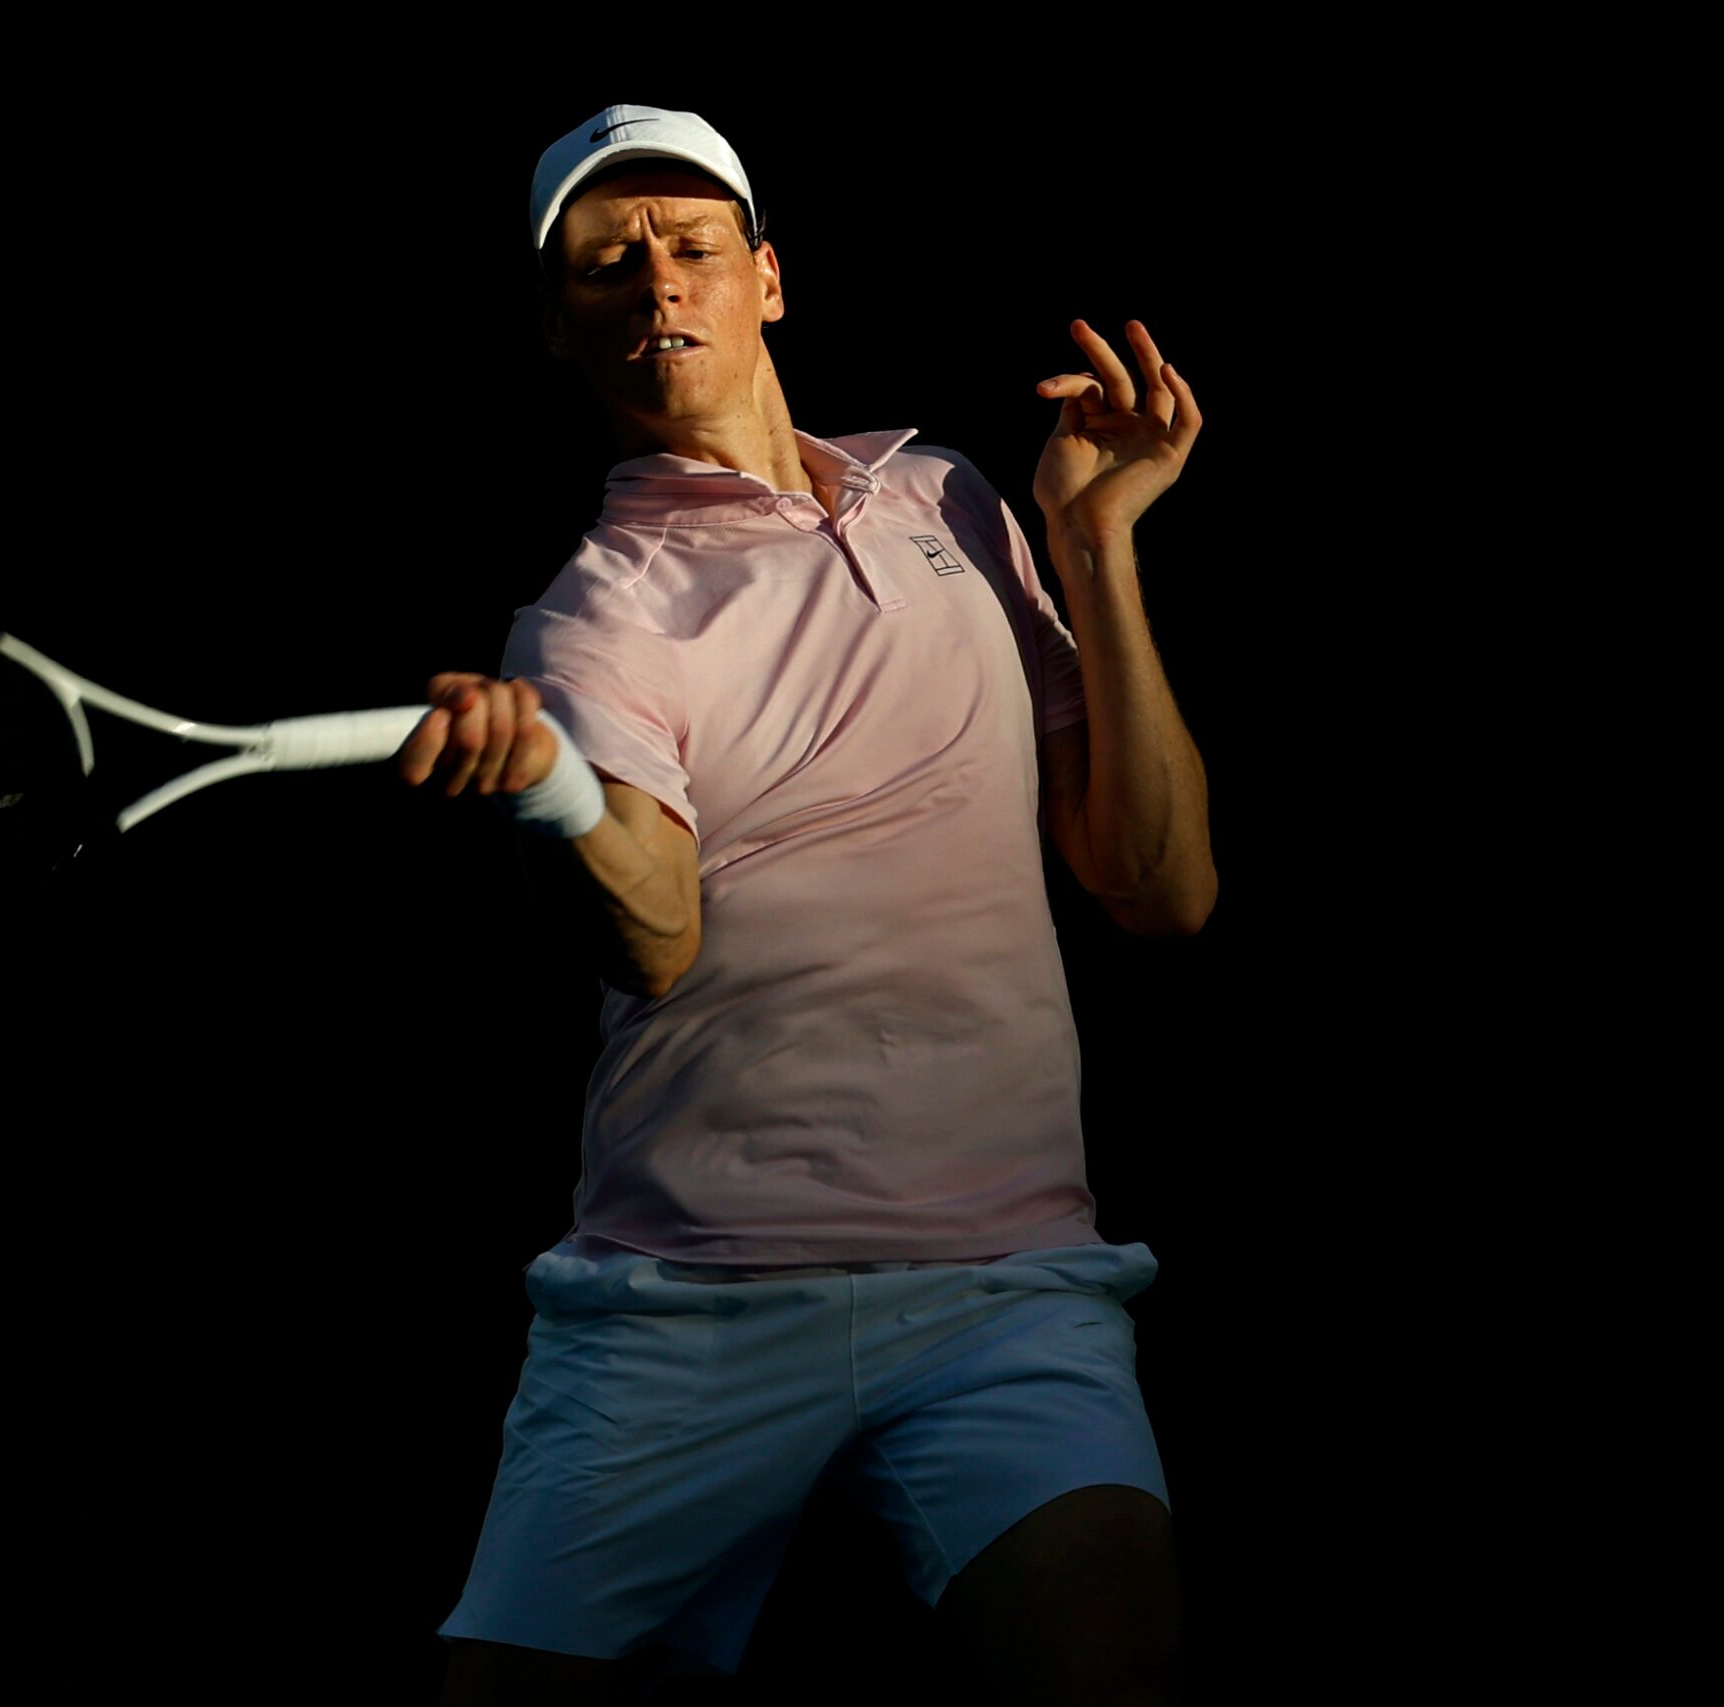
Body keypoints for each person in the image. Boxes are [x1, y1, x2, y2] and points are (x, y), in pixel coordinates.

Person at [402, 104, 1213, 1705]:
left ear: (768, 280)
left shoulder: (956, 503)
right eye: (606, 266)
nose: (656, 286)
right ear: (557, 327)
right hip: (684, 1307)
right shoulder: (592, 622)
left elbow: (1157, 887)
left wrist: (1092, 545)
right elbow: (657, 930)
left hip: (1005, 1292)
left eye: (692, 247)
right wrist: (555, 790)